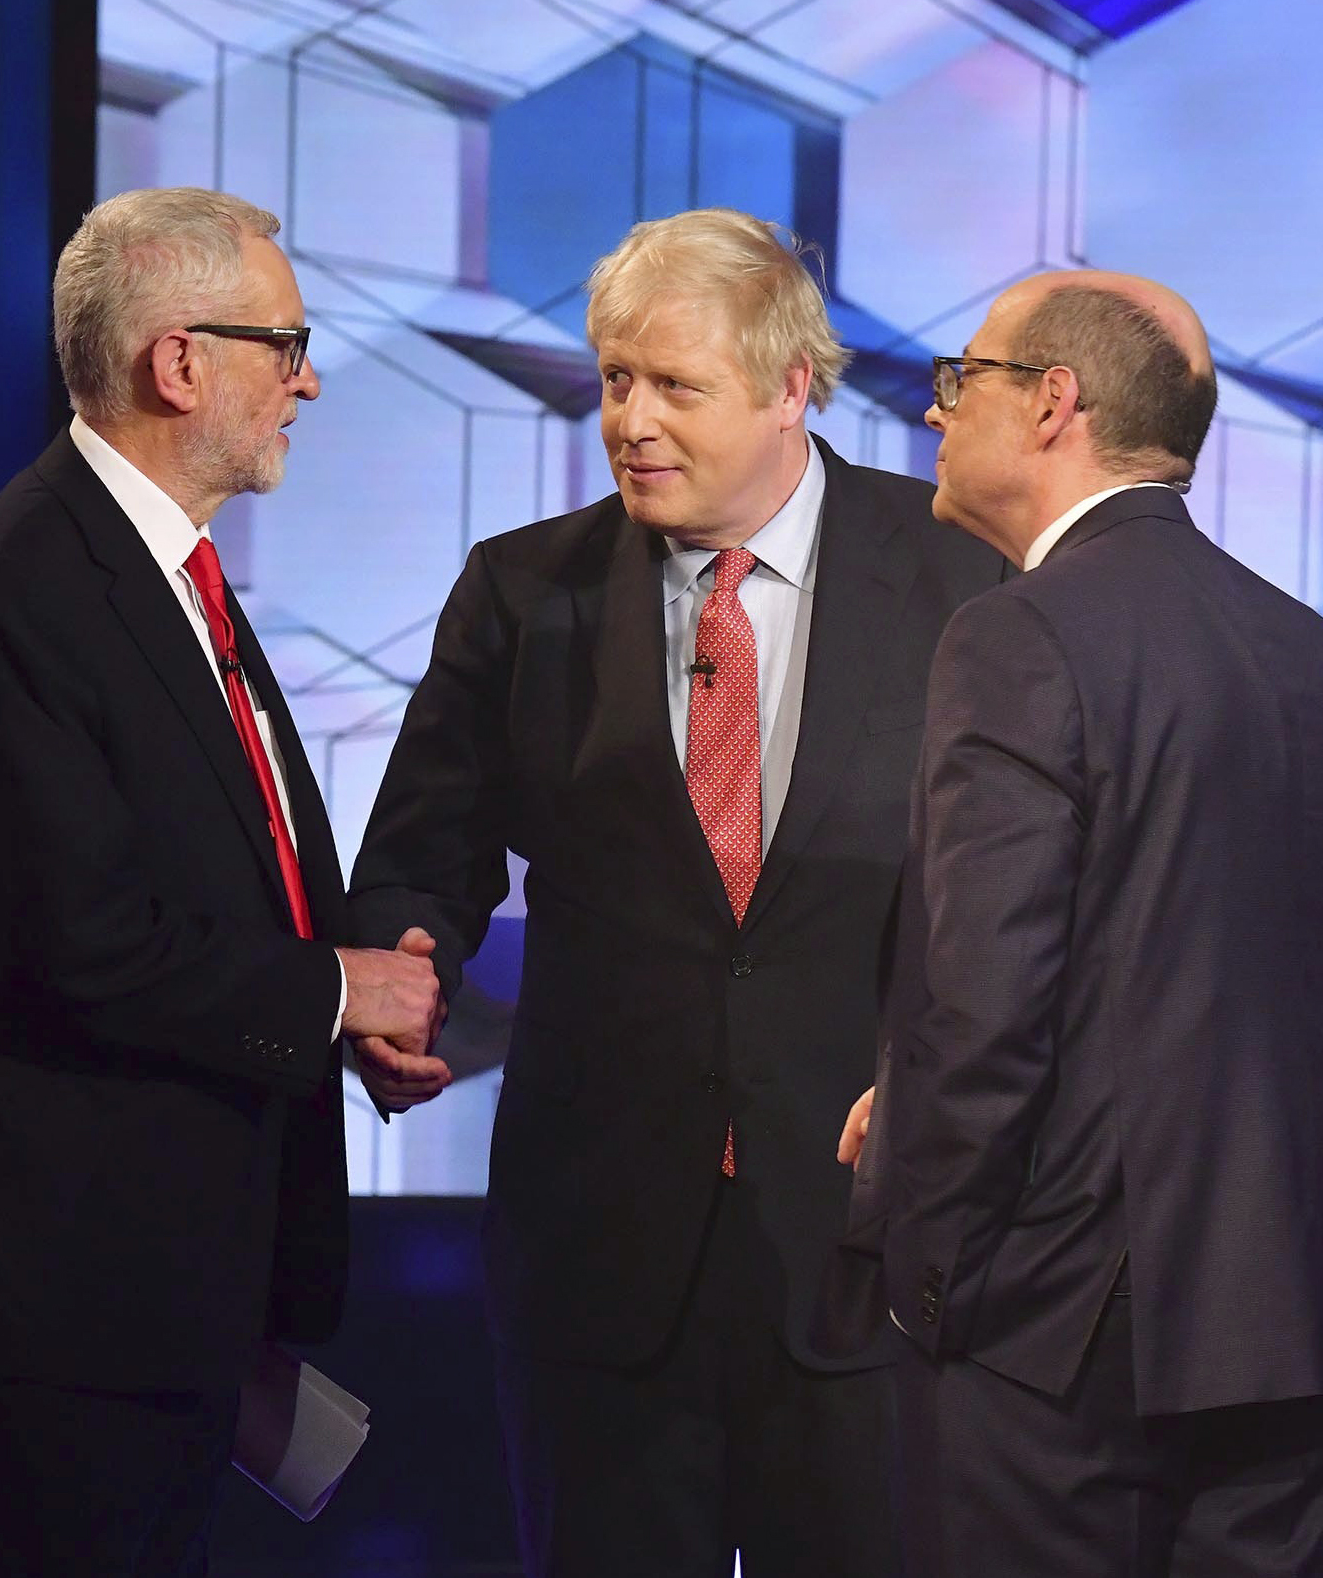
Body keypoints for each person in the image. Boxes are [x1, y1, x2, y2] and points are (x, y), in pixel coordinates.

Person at [348, 207, 1005, 1576]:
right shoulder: (524, 591)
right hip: (601, 1245)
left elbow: (1027, 888)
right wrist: (404, 960)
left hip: (865, 1237)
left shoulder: (960, 582)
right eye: (612, 380)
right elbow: (429, 841)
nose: (629, 421)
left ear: (787, 390)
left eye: (674, 386)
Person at [0, 186, 445, 1577]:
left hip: (166, 1291)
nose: (307, 378)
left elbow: (234, 868)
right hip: (48, 1300)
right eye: (283, 345)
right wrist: (335, 989)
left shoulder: (174, 578)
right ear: (179, 363)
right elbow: (75, 940)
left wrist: (348, 1012)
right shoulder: (13, 585)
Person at [835, 270, 1323, 1577]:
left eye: (960, 379)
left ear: (1051, 403)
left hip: (1062, 1334)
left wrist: (926, 1275)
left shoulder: (1019, 635)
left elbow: (986, 1002)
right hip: (1285, 1300)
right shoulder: (1303, 645)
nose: (930, 413)